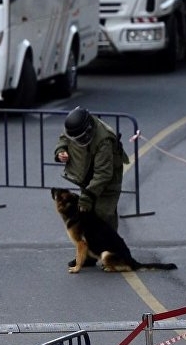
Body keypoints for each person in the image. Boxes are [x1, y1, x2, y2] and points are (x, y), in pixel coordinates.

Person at [54, 106, 130, 267]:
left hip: (108, 181)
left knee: (103, 215)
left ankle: (113, 256)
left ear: (88, 130)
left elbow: (103, 174)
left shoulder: (104, 139)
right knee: (87, 218)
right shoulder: (75, 126)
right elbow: (64, 138)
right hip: (88, 176)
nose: (77, 141)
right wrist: (61, 150)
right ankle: (89, 255)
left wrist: (87, 196)